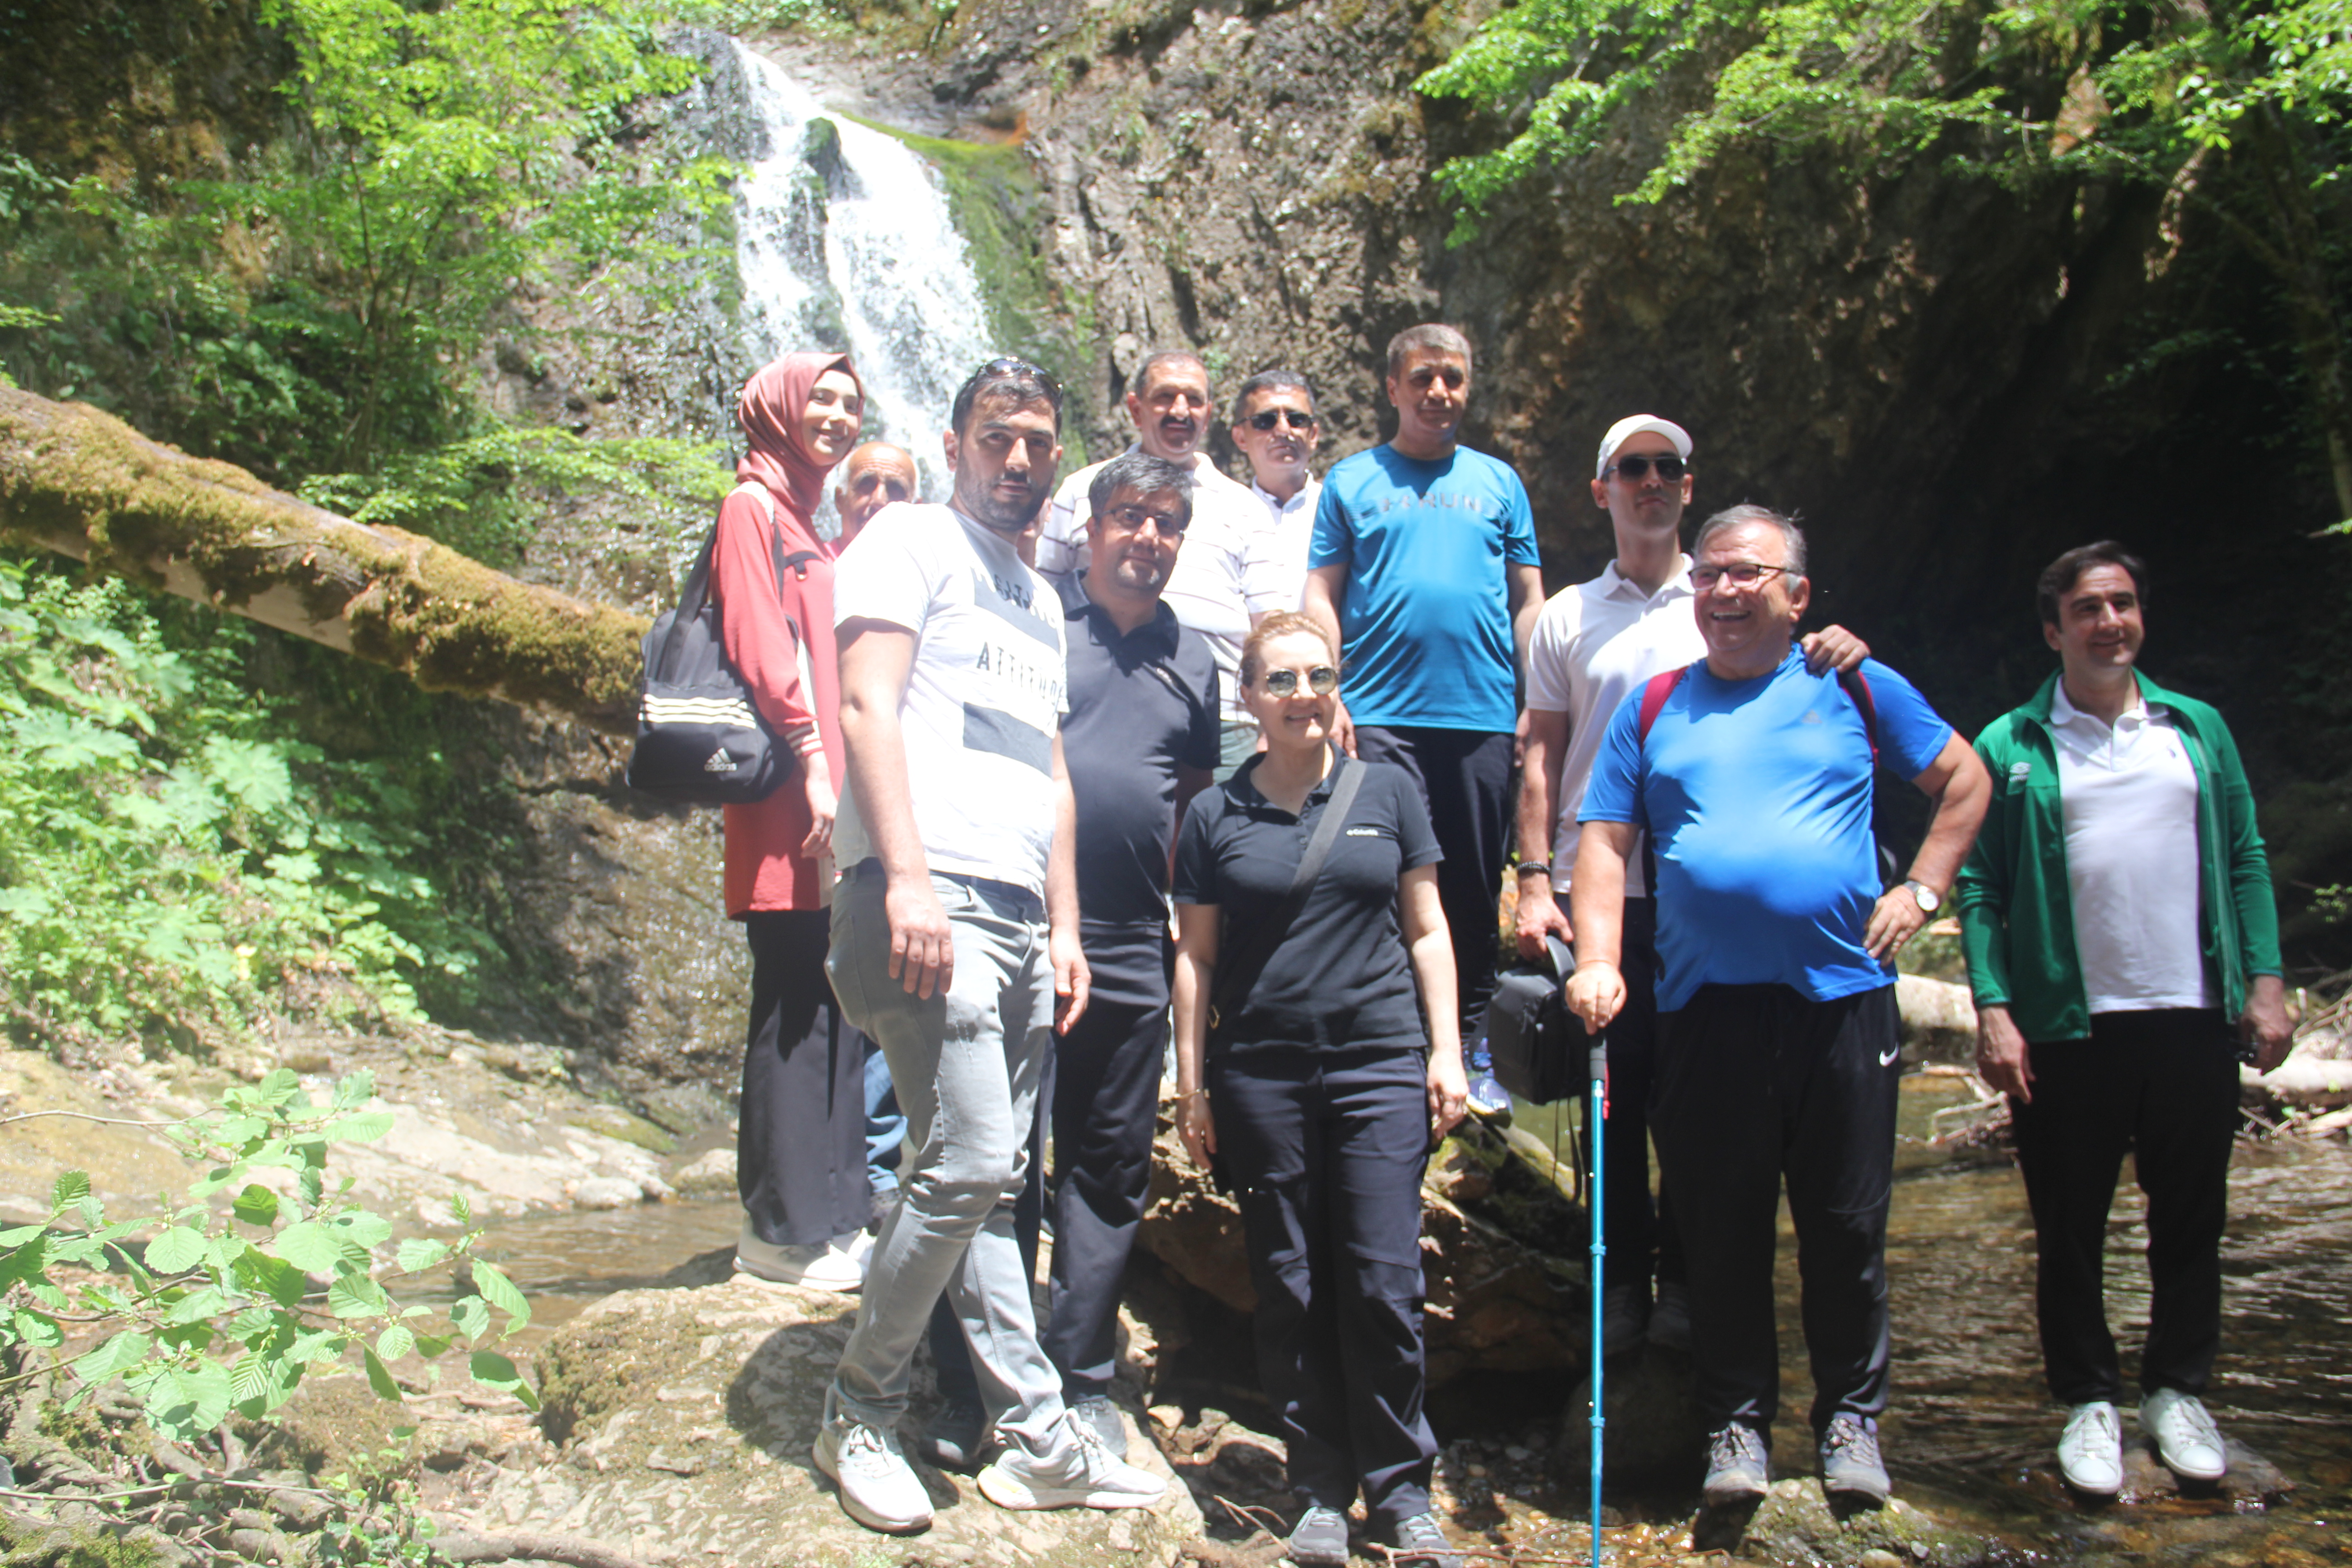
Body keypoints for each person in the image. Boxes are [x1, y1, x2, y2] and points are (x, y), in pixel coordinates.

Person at [1566, 505, 1991, 1506]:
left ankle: (1850, 1420)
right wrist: (1597, 958)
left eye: (1748, 573)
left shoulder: (1853, 685)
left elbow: (1964, 782)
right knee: (1719, 1228)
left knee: (1846, 1226)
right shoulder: (1656, 704)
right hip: (1706, 1010)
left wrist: (1921, 891)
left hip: (1841, 1004)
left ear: (1796, 596)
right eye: (1709, 573)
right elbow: (1603, 841)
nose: (1723, 590)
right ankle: (1735, 1429)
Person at [816, 358, 1168, 1533]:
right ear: (957, 442)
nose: (1018, 460)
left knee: (987, 1177)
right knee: (968, 1163)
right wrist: (904, 876)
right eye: (996, 437)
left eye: (1037, 442)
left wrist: (1066, 926)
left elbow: (1048, 767)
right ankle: (859, 1407)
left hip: (1019, 915)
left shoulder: (1032, 592)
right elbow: (866, 703)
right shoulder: (909, 540)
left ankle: (1029, 1434)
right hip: (927, 898)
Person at [1515, 416, 1868, 1355]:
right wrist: (1531, 876)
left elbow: (1801, 681)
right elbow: (1541, 753)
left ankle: (1689, 1283)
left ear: (1689, 485)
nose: (1650, 481)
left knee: (1704, 1101)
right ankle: (1622, 1281)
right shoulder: (1565, 616)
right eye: (1631, 468)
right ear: (1602, 490)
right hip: (1600, 893)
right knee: (1612, 1095)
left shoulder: (1721, 593)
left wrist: (1837, 645)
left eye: (1667, 467)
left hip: (1696, 897)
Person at [1953, 542, 2291, 1496]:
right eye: (2089, 608)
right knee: (2069, 1224)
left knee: (2190, 1217)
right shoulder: (2009, 746)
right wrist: (1994, 1007)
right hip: (2068, 1024)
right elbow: (1979, 886)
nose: (2111, 622)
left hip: (2189, 1011)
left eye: (2125, 604)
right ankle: (2088, 1401)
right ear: (2053, 629)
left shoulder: (2196, 730)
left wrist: (2264, 983)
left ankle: (2178, 1393)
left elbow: (2246, 858)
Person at [919, 451, 1222, 1469]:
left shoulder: (1196, 658)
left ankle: (1083, 1377)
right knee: (997, 1160)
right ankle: (978, 1382)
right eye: (1129, 516)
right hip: (1014, 920)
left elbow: (1185, 797)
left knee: (1106, 1166)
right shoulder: (1035, 618)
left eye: (1167, 522)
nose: (1147, 536)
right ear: (1088, 527)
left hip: (1134, 938)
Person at [1172, 611, 1471, 1568]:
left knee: (1383, 1280)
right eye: (1283, 679)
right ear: (1251, 698)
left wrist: (1447, 1052)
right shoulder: (1216, 815)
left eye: (1320, 676)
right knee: (1292, 1282)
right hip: (1260, 1071)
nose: (1305, 693)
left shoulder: (1388, 789)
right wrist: (1192, 1084)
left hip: (1379, 1062)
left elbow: (1427, 929)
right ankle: (1318, 1494)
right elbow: (1197, 958)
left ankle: (1403, 1491)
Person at [1302, 323, 1543, 1099]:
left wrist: (1533, 699)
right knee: (1381, 877)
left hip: (1478, 715)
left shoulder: (1498, 483)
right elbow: (1321, 594)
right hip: (1377, 714)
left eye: (1452, 379)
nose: (1438, 393)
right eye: (1422, 378)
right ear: (1392, 388)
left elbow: (1526, 599)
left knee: (1471, 886)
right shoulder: (1350, 481)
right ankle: (1392, 1044)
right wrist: (1327, 685)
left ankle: (1470, 1045)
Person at [719, 353, 872, 1294]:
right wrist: (817, 762)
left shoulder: (804, 519)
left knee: (837, 996)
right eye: (820, 396)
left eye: (851, 402)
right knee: (791, 999)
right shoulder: (751, 509)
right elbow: (761, 647)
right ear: (777, 404)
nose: (837, 414)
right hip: (789, 792)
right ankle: (777, 1231)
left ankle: (834, 1213)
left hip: (831, 793)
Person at [1037, 350, 1265, 769]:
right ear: (1135, 407)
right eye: (1166, 397)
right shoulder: (1082, 489)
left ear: (1209, 412)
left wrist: (1270, 723)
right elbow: (1041, 596)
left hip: (1226, 717)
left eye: (1194, 400)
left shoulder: (1246, 507)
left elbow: (1270, 626)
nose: (1181, 410)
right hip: (1094, 698)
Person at [828, 437, 922, 1219]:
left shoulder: (919, 584)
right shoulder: (820, 574)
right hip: (831, 820)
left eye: (898, 486)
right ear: (840, 499)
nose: (883, 498)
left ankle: (882, 1175)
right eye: (868, 484)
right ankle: (859, 1176)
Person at [1233, 369, 1323, 627]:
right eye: (1265, 421)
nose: (1284, 430)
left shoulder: (1339, 509)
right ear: (1240, 437)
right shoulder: (1225, 514)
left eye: (1297, 419)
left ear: (1314, 434)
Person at [833, 440, 919, 548]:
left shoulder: (932, 564)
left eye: (895, 489)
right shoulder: (810, 563)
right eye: (867, 485)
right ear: (839, 499)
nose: (879, 501)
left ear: (917, 509)